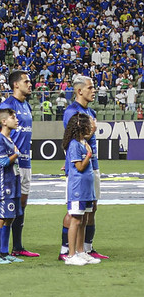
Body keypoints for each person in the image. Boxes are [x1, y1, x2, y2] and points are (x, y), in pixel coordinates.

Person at [0, 70, 39, 257]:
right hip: (11, 163)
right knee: (11, 204)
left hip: (25, 161)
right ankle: (5, 249)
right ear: (16, 84)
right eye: (26, 81)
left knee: (22, 203)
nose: (30, 84)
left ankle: (17, 247)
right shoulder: (7, 105)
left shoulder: (26, 105)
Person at [59, 76, 107, 260]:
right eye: (91, 87)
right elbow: (72, 139)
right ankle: (66, 250)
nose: (94, 90)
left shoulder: (91, 111)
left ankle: (85, 248)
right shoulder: (72, 112)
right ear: (79, 91)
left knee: (91, 207)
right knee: (74, 210)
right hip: (80, 167)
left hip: (92, 164)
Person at [62, 113, 101, 266]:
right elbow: (79, 166)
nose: (91, 127)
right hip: (78, 188)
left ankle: (81, 251)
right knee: (76, 220)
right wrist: (89, 155)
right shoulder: (74, 144)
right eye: (88, 125)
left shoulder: (83, 142)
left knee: (84, 219)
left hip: (87, 188)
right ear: (81, 126)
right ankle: (71, 255)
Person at [0, 109, 23, 264]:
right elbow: (3, 162)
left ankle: (4, 252)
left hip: (13, 184)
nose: (16, 120)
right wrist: (16, 154)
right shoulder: (0, 140)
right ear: (4, 122)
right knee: (1, 218)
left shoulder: (9, 139)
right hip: (4, 186)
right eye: (13, 118)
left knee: (10, 218)